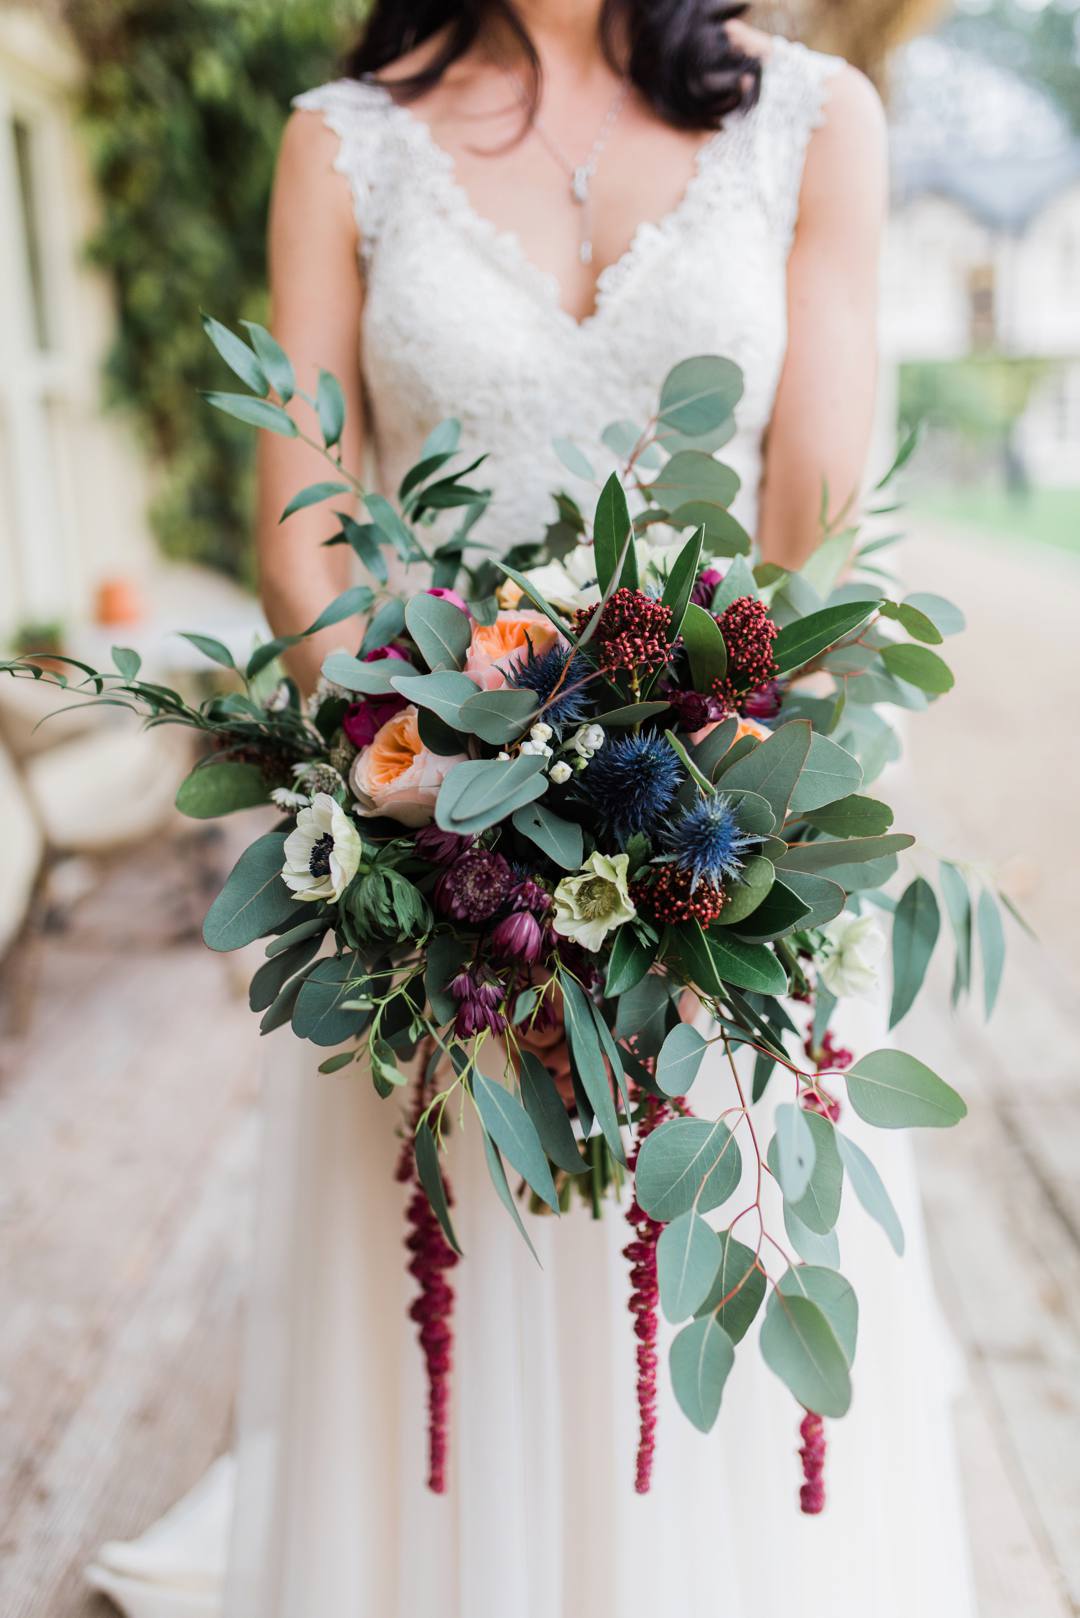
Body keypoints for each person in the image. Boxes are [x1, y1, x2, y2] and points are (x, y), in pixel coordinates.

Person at [88, 4, 978, 1615]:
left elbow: (812, 521)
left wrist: (683, 842)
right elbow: (312, 517)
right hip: (438, 869)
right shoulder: (338, 139)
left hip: (719, 847)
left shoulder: (816, 121)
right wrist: (424, 816)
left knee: (703, 1299)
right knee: (457, 1329)